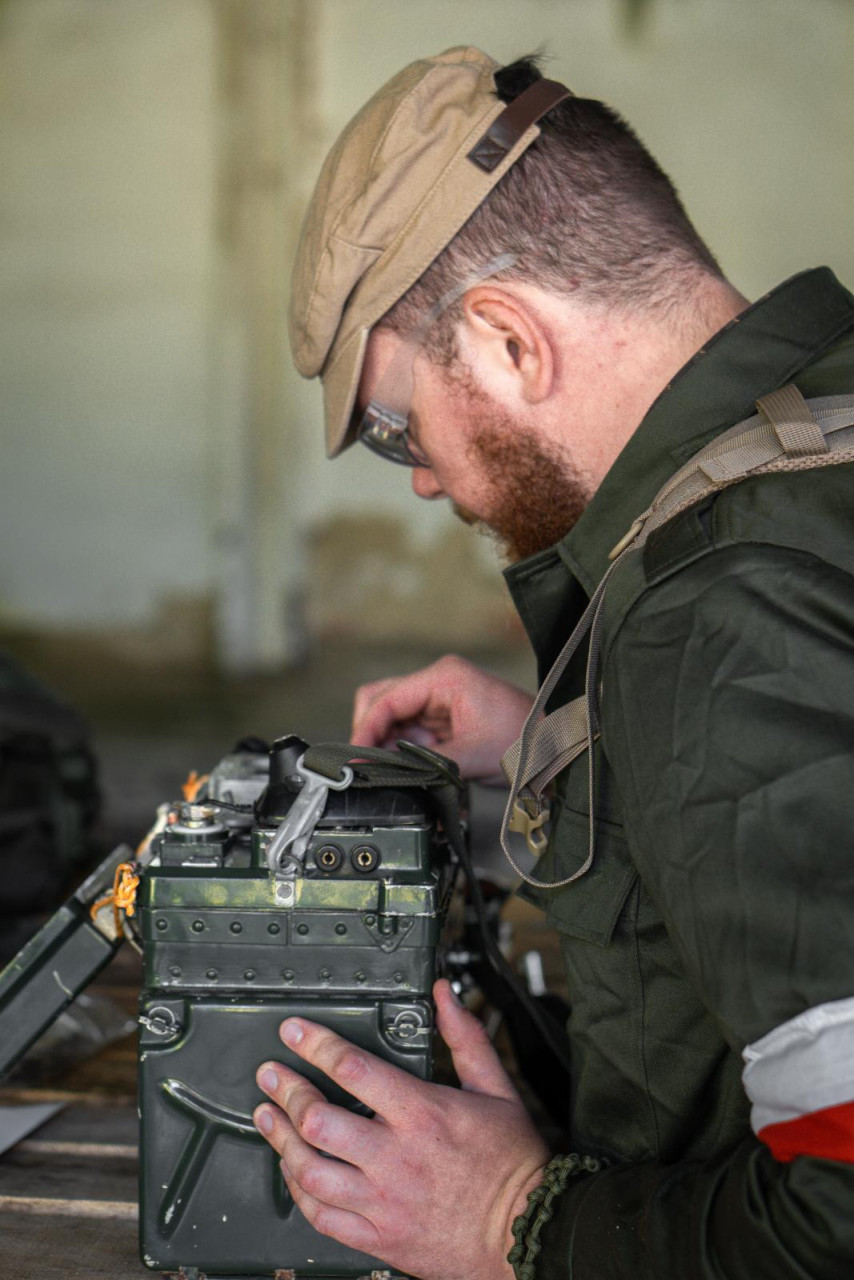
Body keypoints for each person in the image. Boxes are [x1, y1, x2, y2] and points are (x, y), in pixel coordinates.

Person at [251, 46, 854, 1280]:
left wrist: (513, 1219)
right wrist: (576, 736)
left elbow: (837, 1210)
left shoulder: (717, 617)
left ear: (509, 341)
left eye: (395, 426)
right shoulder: (816, 425)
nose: (421, 478)